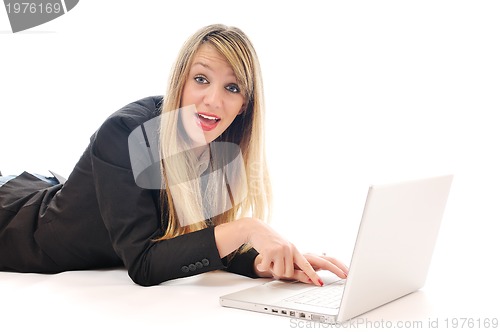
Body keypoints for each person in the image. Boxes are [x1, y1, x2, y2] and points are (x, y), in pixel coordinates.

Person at [0, 24, 348, 287]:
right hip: (15, 226)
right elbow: (143, 264)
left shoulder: (220, 148)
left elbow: (205, 241)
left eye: (232, 87)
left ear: (245, 105)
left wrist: (268, 263)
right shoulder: (125, 132)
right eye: (201, 79)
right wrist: (248, 227)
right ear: (180, 80)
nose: (213, 100)